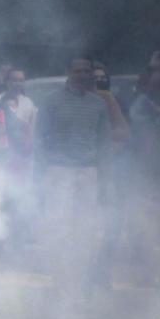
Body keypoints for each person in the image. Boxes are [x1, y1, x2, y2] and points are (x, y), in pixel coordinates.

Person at [35, 56, 112, 293]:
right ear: (68, 72)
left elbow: (104, 143)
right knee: (58, 228)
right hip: (58, 170)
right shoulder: (51, 101)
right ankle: (59, 281)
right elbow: (40, 140)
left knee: (84, 230)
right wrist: (40, 176)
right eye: (77, 71)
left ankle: (78, 283)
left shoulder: (98, 104)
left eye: (86, 71)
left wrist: (105, 179)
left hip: (88, 171)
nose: (83, 75)